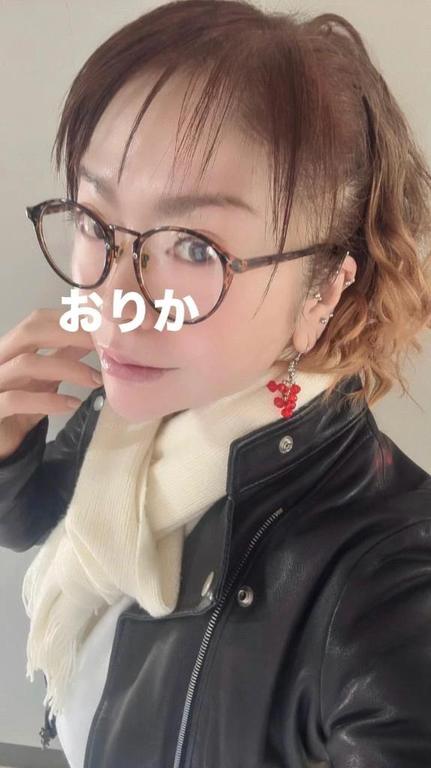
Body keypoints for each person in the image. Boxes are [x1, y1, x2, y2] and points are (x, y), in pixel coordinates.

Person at [0, 1, 430, 766]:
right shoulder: (128, 413)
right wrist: (8, 455)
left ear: (323, 290)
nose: (113, 300)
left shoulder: (383, 584)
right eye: (95, 222)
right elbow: (33, 515)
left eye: (194, 247)